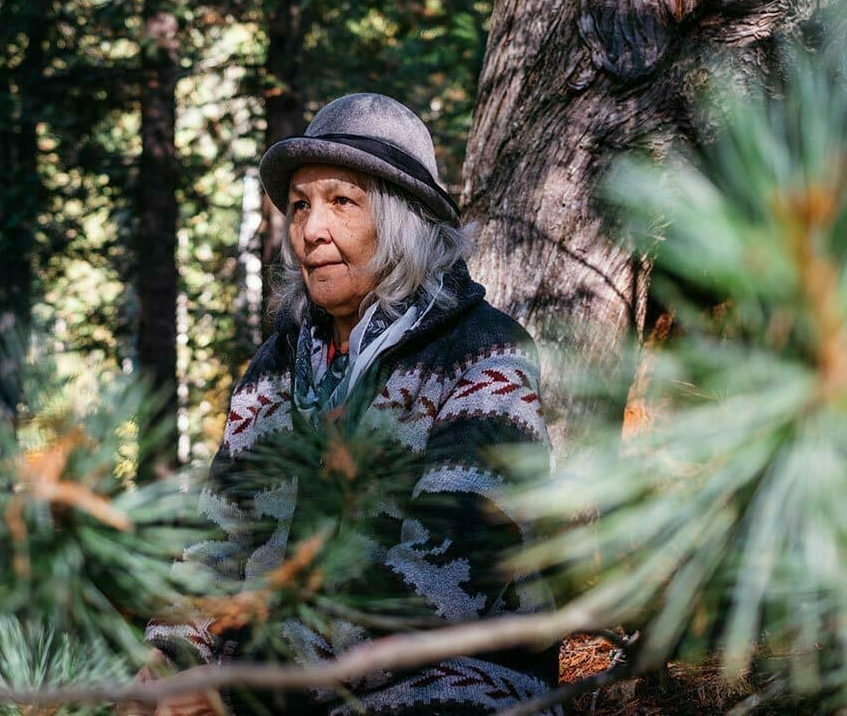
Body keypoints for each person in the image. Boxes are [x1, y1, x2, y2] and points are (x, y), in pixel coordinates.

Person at [144, 93, 557, 714]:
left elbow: (450, 571)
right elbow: (218, 541)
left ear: (402, 220)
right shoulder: (273, 371)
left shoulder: (483, 351)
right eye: (301, 206)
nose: (312, 230)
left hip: (452, 673)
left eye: (342, 202)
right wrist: (172, 658)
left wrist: (252, 684)